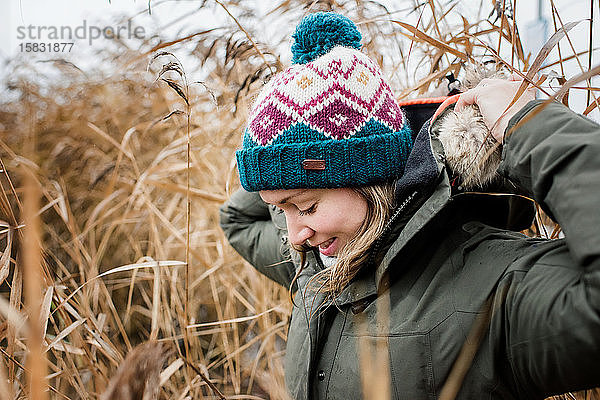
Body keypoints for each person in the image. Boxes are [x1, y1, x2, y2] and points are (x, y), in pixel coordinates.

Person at [219, 12, 600, 400]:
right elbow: (237, 219)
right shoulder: (317, 267)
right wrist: (283, 162)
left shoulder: (494, 288)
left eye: (307, 206)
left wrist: (526, 124)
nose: (294, 237)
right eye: (280, 209)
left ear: (368, 177)